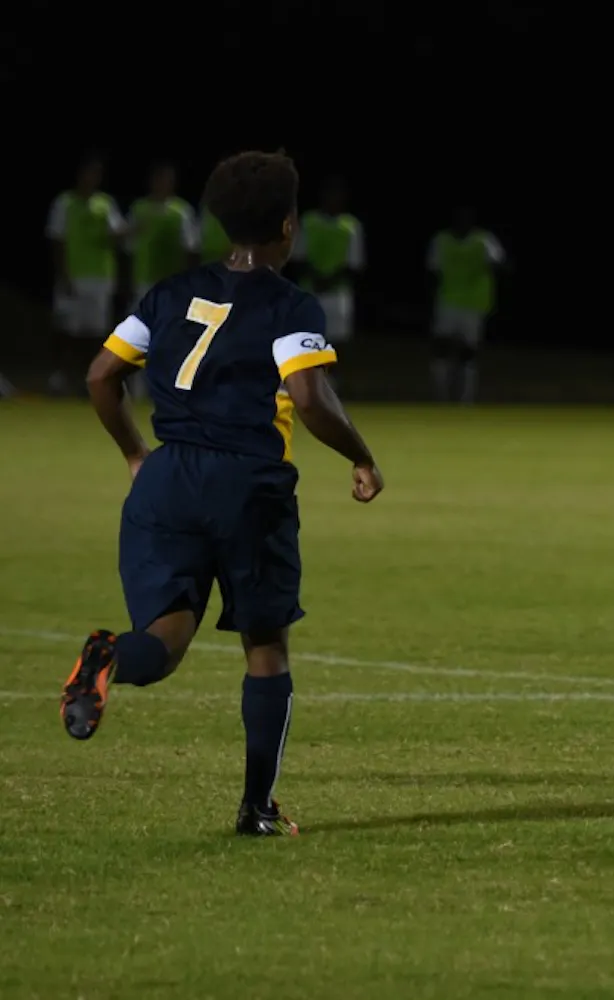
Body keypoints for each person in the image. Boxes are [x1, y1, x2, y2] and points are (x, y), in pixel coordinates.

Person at [61, 150, 386, 836]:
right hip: (247, 485)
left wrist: (133, 453)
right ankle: (256, 809)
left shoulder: (170, 293)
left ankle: (109, 655)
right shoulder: (289, 303)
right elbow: (308, 393)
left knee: (163, 642)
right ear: (288, 226)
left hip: (168, 480)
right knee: (265, 648)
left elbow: (99, 376)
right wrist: (361, 456)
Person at [46, 152, 127, 395]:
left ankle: (89, 378)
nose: (92, 178)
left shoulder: (105, 204)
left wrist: (127, 233)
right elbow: (57, 240)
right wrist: (64, 274)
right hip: (74, 275)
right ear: (80, 175)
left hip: (100, 277)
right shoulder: (65, 203)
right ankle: (59, 376)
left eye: (96, 174)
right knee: (66, 329)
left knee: (95, 331)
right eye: (89, 173)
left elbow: (117, 235)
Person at [126, 162, 200, 398]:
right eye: (159, 179)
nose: (162, 184)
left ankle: (166, 389)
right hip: (143, 282)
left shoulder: (181, 211)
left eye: (167, 179)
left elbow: (190, 250)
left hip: (171, 286)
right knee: (140, 336)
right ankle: (137, 389)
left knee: (171, 337)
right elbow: (128, 248)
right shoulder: (139, 209)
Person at [427, 205, 505, 403]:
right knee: (441, 349)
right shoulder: (441, 240)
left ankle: (465, 400)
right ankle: (440, 397)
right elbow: (433, 271)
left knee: (468, 352)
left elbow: (499, 264)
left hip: (473, 303)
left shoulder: (484, 241)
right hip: (447, 300)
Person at [291, 176, 364, 359]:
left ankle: (331, 385)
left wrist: (329, 281)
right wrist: (316, 279)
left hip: (338, 294)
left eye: (337, 195)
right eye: (330, 194)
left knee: (336, 345)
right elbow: (299, 257)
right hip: (310, 291)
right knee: (305, 343)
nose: (333, 199)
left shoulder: (351, 226)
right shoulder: (309, 221)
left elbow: (354, 264)